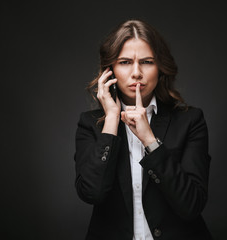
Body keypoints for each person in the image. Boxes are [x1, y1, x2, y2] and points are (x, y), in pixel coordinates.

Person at [74, 19, 212, 240]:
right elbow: (92, 193)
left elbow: (192, 204)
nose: (136, 73)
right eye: (125, 62)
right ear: (110, 71)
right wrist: (111, 120)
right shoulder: (89, 124)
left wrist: (150, 140)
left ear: (161, 67)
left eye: (147, 61)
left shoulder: (190, 120)